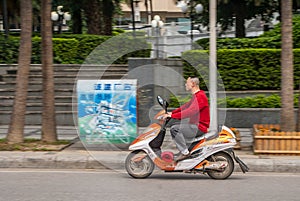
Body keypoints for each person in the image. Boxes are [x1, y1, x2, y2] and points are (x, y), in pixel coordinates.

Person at [163, 77, 210, 161]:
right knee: (176, 126)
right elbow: (185, 107)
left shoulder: (200, 96)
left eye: (187, 83)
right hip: (195, 125)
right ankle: (185, 150)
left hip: (199, 127)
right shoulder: (196, 96)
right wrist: (172, 113)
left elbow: (190, 111)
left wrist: (172, 116)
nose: (185, 85)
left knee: (175, 129)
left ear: (193, 84)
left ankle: (185, 152)